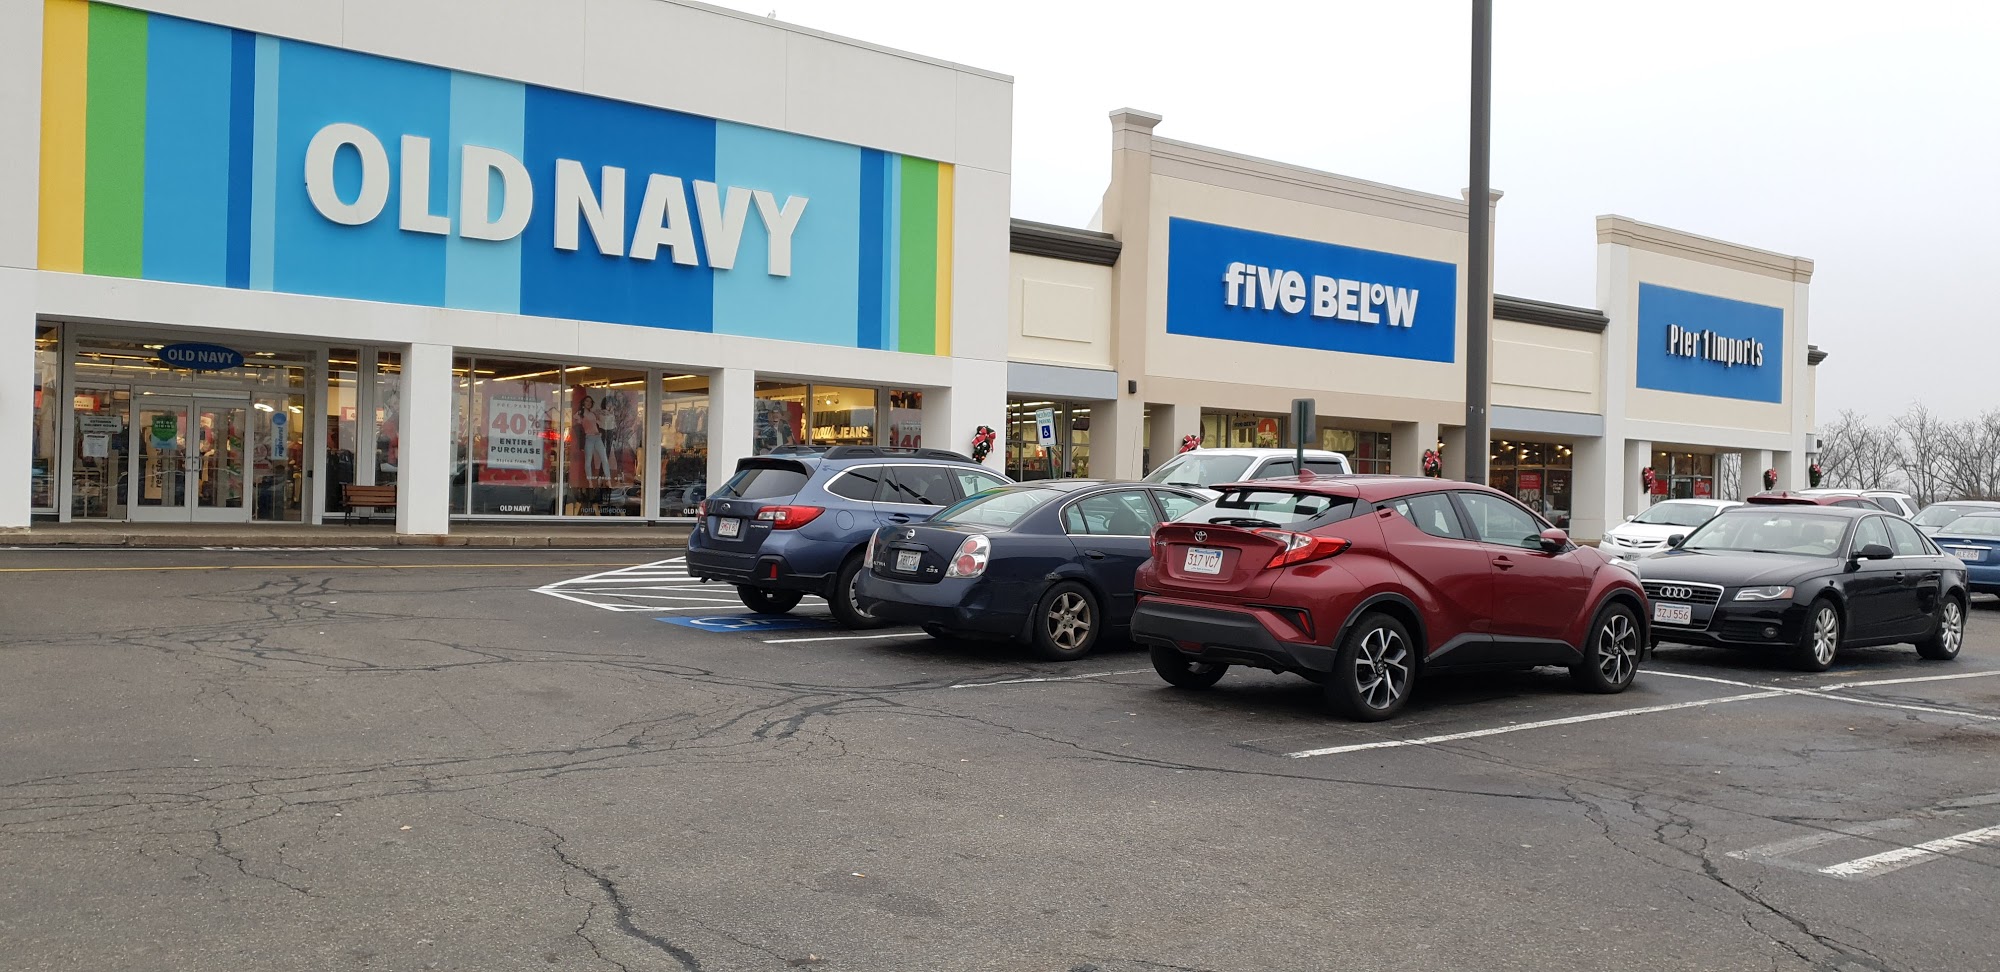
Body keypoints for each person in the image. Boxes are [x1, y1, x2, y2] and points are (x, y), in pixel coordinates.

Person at [577, 394, 607, 482]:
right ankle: (589, 482)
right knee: (588, 460)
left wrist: (600, 430)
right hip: (589, 437)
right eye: (587, 401)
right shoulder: (580, 413)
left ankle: (606, 479)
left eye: (590, 401)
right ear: (583, 402)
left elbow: (598, 424)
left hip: (597, 437)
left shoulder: (592, 414)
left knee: (603, 458)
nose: (589, 403)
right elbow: (578, 427)